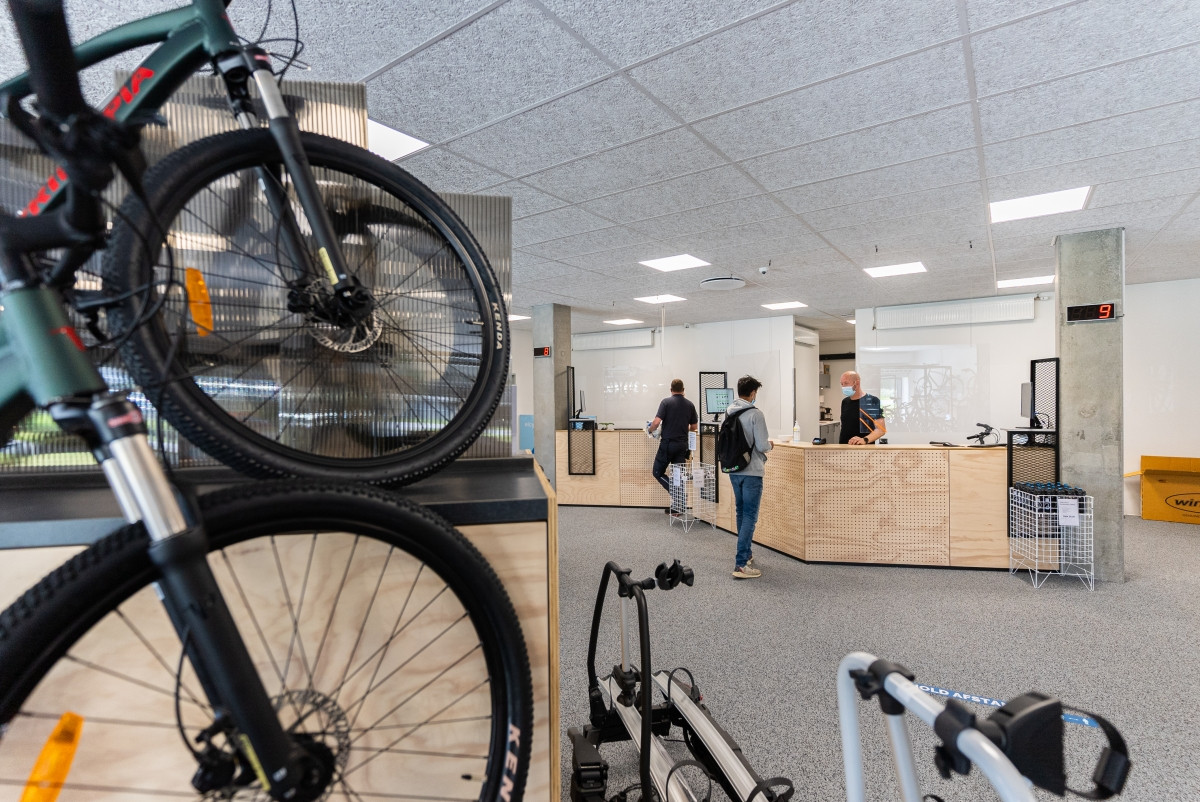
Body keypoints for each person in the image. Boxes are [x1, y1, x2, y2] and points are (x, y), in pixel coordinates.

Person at [726, 375, 773, 579]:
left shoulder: (729, 410)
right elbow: (762, 445)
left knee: (741, 511)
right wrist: (771, 445)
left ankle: (747, 553)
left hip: (735, 470)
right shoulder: (756, 414)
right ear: (753, 393)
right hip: (752, 471)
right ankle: (741, 564)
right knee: (750, 516)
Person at [648, 378, 698, 512]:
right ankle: (678, 506)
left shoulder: (666, 402)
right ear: (683, 390)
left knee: (657, 472)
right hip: (682, 445)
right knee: (678, 475)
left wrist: (650, 430)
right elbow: (694, 427)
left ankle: (679, 497)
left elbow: (656, 422)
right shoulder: (690, 405)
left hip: (668, 444)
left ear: (671, 390)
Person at [838, 370, 887, 445]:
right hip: (844, 447)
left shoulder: (873, 401)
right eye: (842, 384)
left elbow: (881, 430)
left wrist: (864, 440)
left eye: (846, 383)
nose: (843, 387)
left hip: (864, 448)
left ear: (857, 383)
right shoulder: (845, 402)